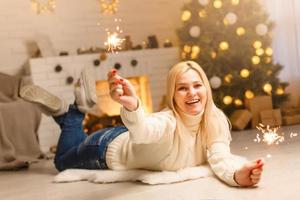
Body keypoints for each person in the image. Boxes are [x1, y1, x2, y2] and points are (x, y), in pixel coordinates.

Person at [20, 61, 264, 187]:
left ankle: (64, 115)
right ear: (172, 94)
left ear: (206, 88)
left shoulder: (215, 119)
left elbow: (220, 156)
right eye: (182, 88)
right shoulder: (167, 122)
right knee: (62, 162)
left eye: (197, 85)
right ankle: (73, 114)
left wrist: (236, 174)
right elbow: (145, 130)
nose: (192, 93)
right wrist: (133, 104)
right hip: (105, 150)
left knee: (74, 140)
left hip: (119, 137)